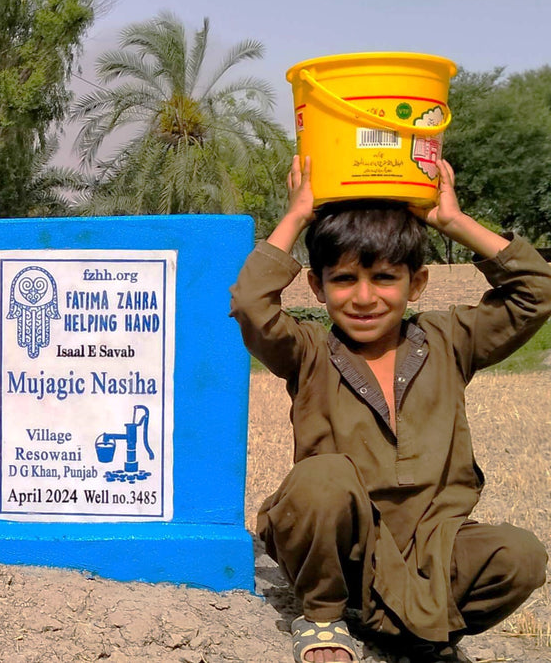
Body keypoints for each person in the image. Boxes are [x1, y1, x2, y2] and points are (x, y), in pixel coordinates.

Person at [230, 156, 551, 663]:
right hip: (339, 550)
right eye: (343, 280)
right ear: (316, 287)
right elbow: (251, 305)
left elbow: (536, 292)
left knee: (521, 556)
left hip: (429, 552)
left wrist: (452, 221)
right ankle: (323, 619)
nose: (364, 297)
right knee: (324, 479)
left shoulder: (450, 340)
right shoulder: (308, 351)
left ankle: (412, 634)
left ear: (415, 284)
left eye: (384, 278)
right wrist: (298, 215)